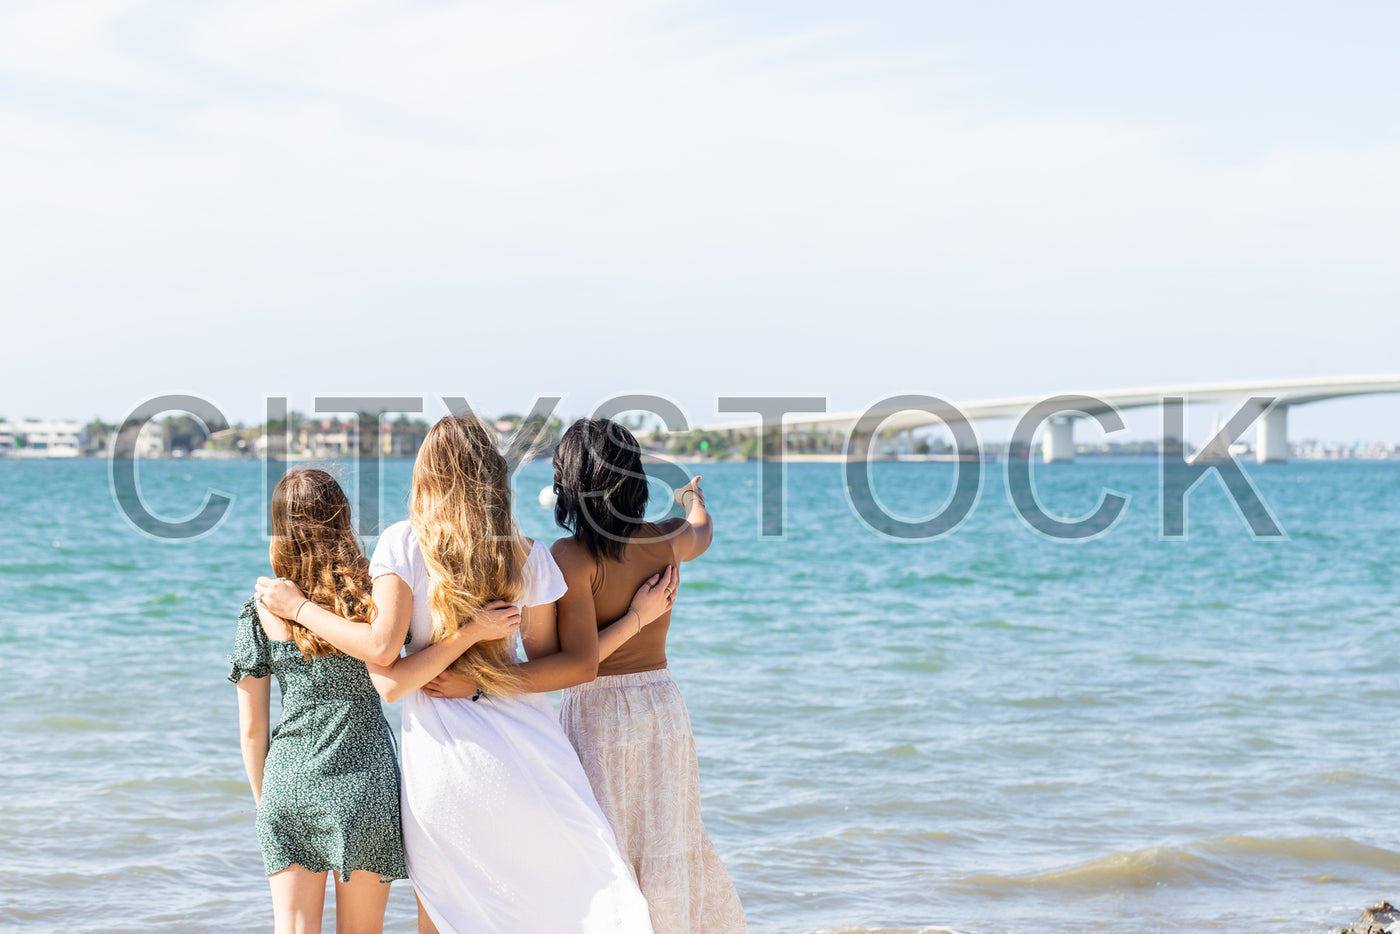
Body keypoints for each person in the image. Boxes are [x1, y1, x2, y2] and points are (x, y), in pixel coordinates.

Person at [255, 414, 671, 934]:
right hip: (530, 756)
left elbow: (389, 679)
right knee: (566, 903)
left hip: (444, 765)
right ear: (493, 474)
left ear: (426, 474)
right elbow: (559, 666)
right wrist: (484, 677)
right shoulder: (527, 554)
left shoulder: (403, 544)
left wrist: (298, 608)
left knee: (446, 919)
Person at [551, 419, 747, 934]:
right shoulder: (665, 541)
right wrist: (690, 499)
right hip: (663, 706)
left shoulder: (571, 557)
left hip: (597, 712)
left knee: (606, 848)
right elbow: (702, 531)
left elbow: (583, 660)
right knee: (666, 841)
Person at [230, 468, 409, 934]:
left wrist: (265, 803)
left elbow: (251, 731)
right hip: (365, 783)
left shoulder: (260, 611)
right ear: (344, 520)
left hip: (288, 783)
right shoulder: (373, 601)